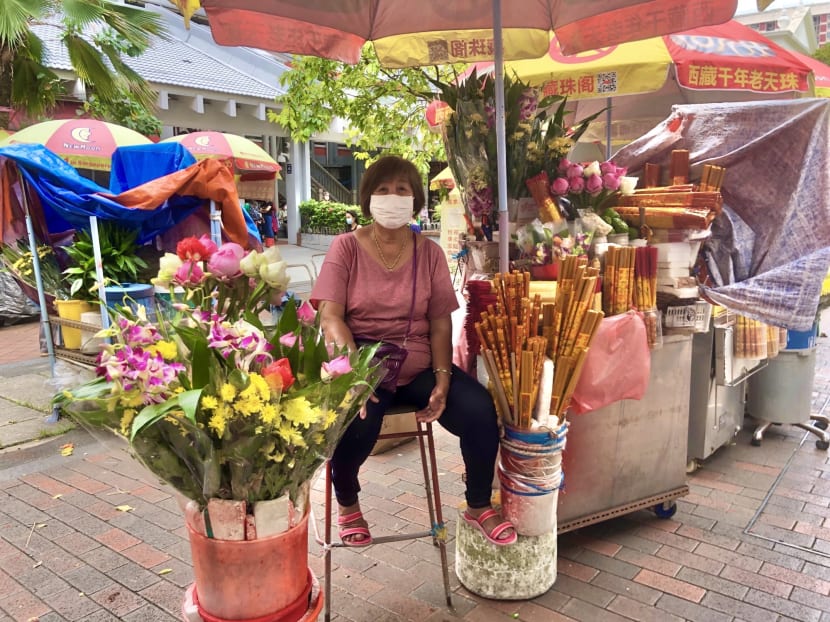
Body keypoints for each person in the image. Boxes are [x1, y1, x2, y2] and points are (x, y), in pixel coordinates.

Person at [311, 155, 516, 548]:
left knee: (478, 410)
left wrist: (442, 378)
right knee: (358, 419)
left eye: (401, 190)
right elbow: (331, 317)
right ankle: (348, 502)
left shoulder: (430, 253)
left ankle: (477, 504)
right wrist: (354, 371)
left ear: (416, 200)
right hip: (365, 362)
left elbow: (440, 323)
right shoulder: (346, 249)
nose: (392, 197)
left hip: (419, 364)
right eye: (383, 190)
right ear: (368, 197)